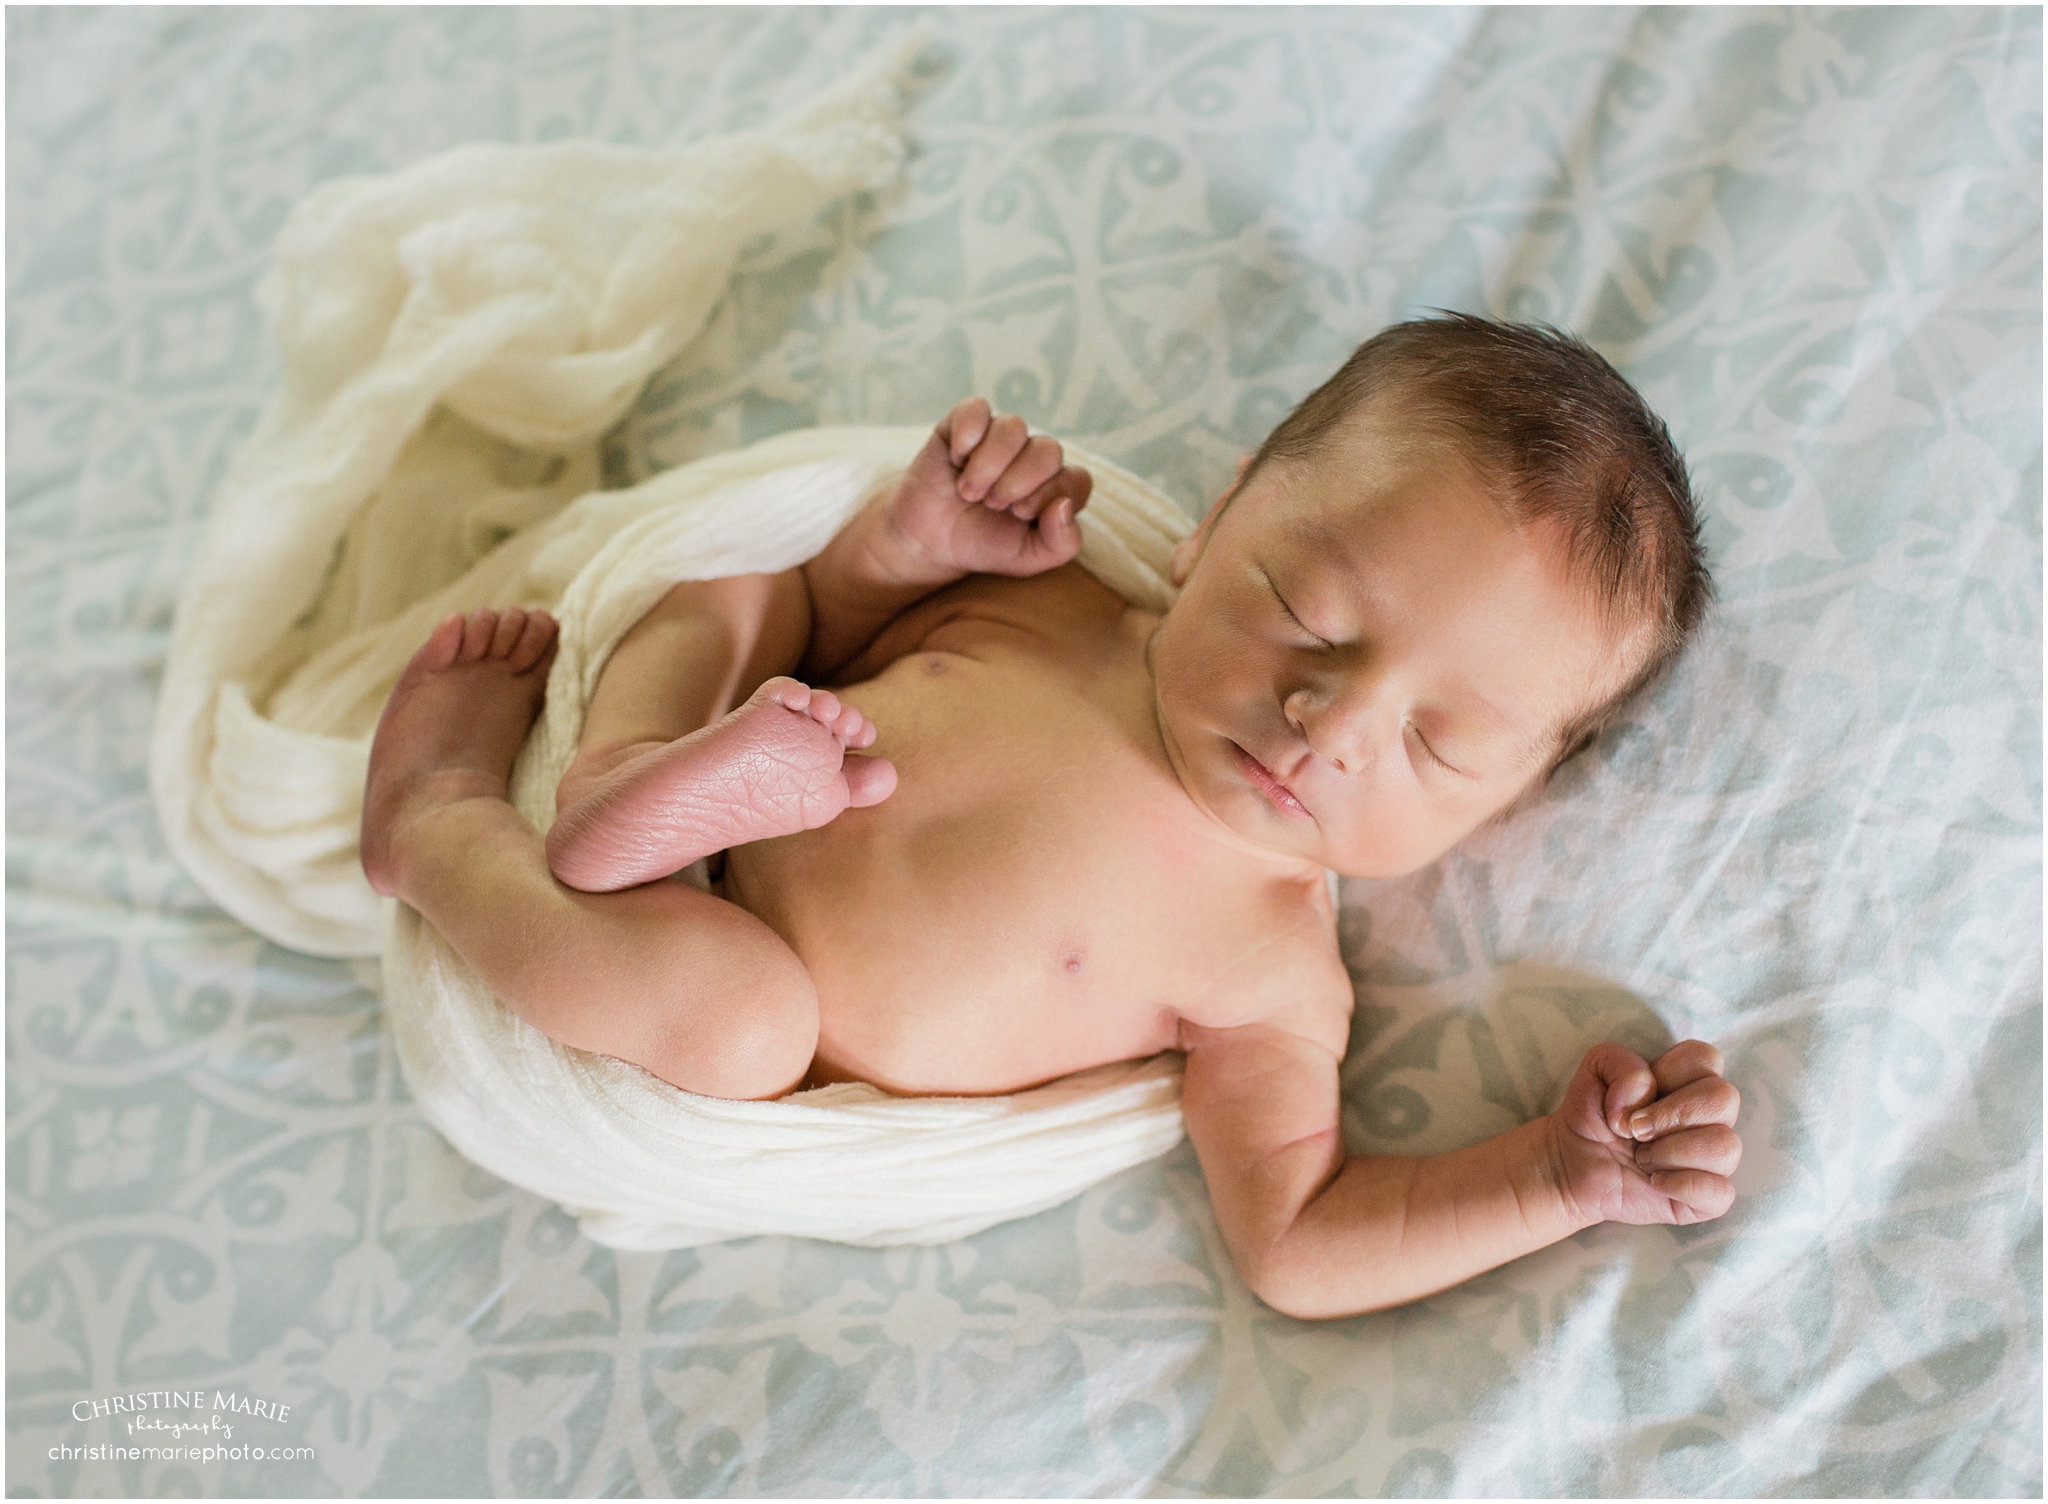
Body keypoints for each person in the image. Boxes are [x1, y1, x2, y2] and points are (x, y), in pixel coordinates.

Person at [359, 315, 1742, 1319]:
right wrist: (902, 549)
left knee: (740, 1023)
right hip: (728, 781)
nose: (1332, 722)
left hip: (726, 981)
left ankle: (438, 826)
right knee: (734, 588)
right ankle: (629, 770)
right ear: (1214, 523)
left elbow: (1300, 1243)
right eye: (1305, 614)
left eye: (1439, 744)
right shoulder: (1058, 601)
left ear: (1502, 809)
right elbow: (832, 623)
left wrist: (1555, 1180)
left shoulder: (1267, 979)